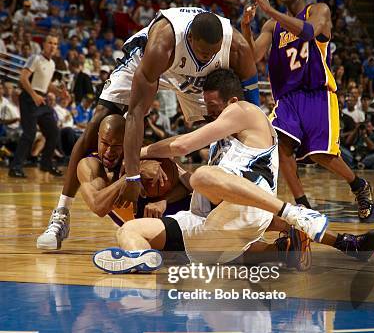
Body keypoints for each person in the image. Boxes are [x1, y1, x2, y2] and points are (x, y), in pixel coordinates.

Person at [93, 70, 374, 274]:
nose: (210, 113)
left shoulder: (245, 110)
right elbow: (181, 156)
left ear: (231, 101)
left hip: (246, 211)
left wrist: (140, 151)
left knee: (203, 177)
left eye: (214, 106)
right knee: (129, 230)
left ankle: (296, 215)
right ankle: (141, 259)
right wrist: (144, 161)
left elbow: (181, 144)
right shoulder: (228, 134)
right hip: (213, 226)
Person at [37, 8, 260, 250]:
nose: (207, 57)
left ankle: (233, 206)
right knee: (98, 122)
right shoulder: (162, 42)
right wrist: (132, 177)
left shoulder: (237, 49)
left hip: (196, 79)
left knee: (226, 123)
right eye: (203, 52)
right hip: (150, 62)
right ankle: (61, 215)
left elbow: (253, 116)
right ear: (190, 39)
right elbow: (135, 114)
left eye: (212, 52)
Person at [81, 112, 309, 271]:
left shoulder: (154, 158)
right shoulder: (91, 166)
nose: (109, 151)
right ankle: (281, 248)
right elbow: (98, 205)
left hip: (190, 217)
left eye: (117, 146)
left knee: (227, 225)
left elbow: (189, 182)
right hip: (171, 229)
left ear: (131, 143)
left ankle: (290, 229)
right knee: (224, 253)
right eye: (104, 143)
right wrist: (132, 176)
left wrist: (163, 200)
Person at [241, 0, 374, 222]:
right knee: (282, 145)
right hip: (288, 97)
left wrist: (268, 9)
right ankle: (303, 205)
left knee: (319, 154)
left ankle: (358, 185)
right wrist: (246, 27)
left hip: (316, 93)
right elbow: (252, 57)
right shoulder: (273, 26)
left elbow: (308, 32)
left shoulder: (319, 10)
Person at [9, 34, 63, 178]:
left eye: (55, 44)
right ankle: (15, 167)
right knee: (29, 134)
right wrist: (34, 95)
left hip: (42, 99)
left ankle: (46, 164)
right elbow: (23, 78)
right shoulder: (35, 58)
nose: (53, 46)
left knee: (53, 132)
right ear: (44, 44)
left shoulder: (52, 64)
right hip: (29, 98)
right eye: (50, 42)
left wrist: (59, 92)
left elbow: (46, 84)